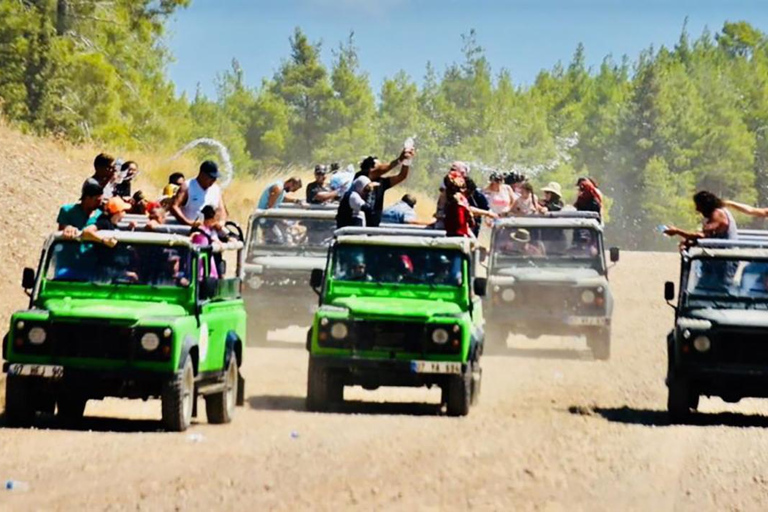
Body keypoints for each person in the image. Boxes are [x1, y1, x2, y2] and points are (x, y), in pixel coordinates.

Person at [354, 149, 414, 227]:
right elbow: (383, 169)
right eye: (378, 166)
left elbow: (401, 176)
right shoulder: (361, 177)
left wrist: (406, 161)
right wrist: (400, 159)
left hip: (373, 225)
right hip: (357, 224)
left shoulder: (381, 182)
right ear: (370, 168)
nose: (381, 167)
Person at [664, 191, 738, 244]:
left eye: (699, 206)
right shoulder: (720, 212)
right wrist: (691, 243)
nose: (697, 209)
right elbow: (708, 237)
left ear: (706, 205)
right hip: (720, 257)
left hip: (724, 260)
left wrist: (677, 231)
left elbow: (701, 236)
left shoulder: (717, 214)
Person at [171, 161, 227, 227]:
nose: (214, 181)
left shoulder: (216, 189)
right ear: (202, 174)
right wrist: (188, 222)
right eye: (211, 177)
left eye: (215, 178)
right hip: (191, 228)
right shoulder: (188, 186)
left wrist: (221, 222)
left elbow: (221, 209)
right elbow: (174, 206)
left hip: (211, 228)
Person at [443, 172, 474, 238]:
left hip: (450, 232)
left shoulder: (448, 196)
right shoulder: (461, 199)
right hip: (461, 233)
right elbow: (470, 220)